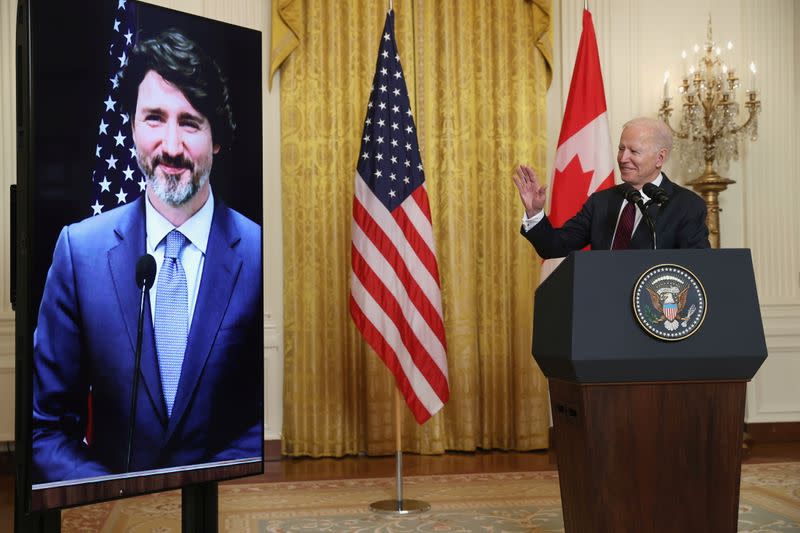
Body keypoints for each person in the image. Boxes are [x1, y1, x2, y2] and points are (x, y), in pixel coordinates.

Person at [31, 30, 262, 484]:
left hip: (220, 507)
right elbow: (48, 429)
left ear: (216, 138)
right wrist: (120, 495)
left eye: (190, 122)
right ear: (133, 128)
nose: (171, 147)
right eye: (154, 118)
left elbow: (263, 422)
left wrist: (198, 491)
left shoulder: (257, 255)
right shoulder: (79, 253)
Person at [513, 117, 710, 256]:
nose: (623, 158)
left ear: (660, 158)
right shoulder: (601, 202)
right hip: (601, 305)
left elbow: (697, 268)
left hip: (653, 310)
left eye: (634, 151)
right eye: (621, 149)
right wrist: (535, 212)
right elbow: (554, 247)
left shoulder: (687, 205)